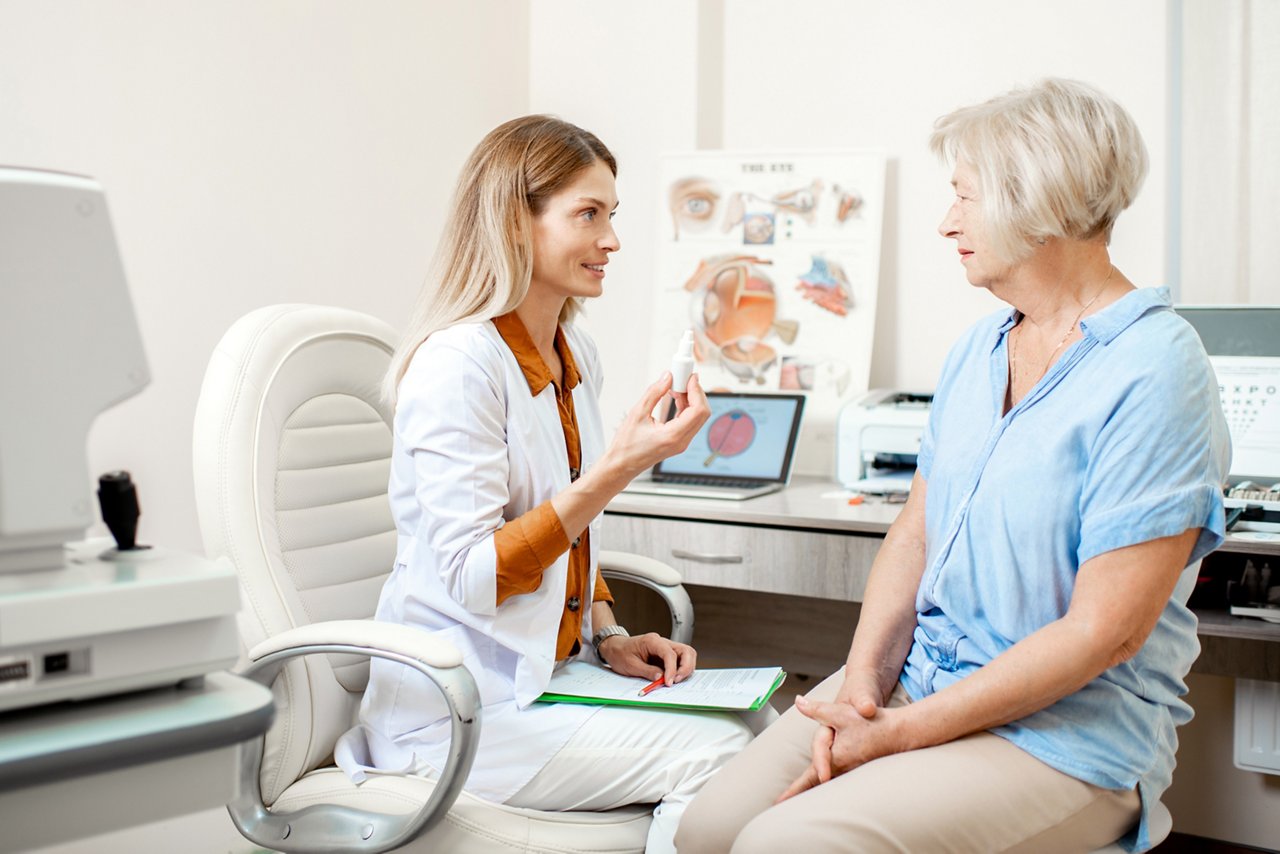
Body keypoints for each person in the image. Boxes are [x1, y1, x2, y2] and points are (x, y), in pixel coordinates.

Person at [676, 79, 1230, 854]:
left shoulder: (1156, 371)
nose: (946, 223)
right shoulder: (980, 350)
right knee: (704, 833)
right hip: (916, 683)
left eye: (965, 198)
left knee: (786, 845)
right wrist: (865, 687)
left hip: (1063, 738)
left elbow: (1103, 634)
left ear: (1035, 200)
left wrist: (899, 736)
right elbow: (915, 533)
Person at [334, 115, 754, 854]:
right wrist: (619, 466)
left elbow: (570, 539)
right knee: (723, 757)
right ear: (515, 224)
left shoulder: (573, 350)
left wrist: (611, 633)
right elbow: (473, 577)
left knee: (763, 728)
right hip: (459, 711)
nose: (612, 240)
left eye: (612, 215)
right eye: (588, 215)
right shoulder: (456, 365)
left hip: (549, 678)